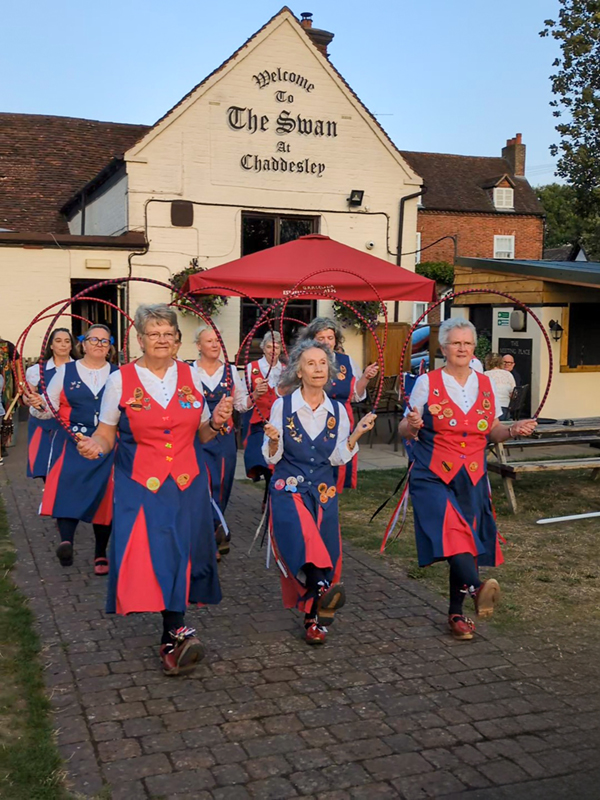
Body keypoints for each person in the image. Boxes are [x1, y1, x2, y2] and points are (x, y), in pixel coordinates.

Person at [77, 304, 230, 676]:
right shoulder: (120, 380)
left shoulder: (191, 375)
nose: (161, 340)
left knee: (183, 551)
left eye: (169, 334)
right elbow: (107, 431)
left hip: (187, 482)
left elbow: (204, 431)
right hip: (142, 483)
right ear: (140, 340)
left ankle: (171, 633)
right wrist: (95, 445)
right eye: (153, 333)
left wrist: (220, 423)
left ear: (178, 341)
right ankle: (174, 629)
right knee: (160, 550)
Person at [398, 318, 537, 641]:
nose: (462, 348)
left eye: (467, 343)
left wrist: (513, 430)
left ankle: (456, 613)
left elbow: (493, 431)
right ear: (443, 348)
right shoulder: (426, 383)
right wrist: (414, 424)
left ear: (474, 348)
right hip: (432, 473)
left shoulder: (485, 384)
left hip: (471, 476)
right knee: (451, 533)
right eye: (455, 343)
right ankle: (477, 589)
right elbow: (405, 429)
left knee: (466, 544)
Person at [263, 339, 376, 645]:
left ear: (330, 370)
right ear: (298, 371)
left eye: (322, 363)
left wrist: (356, 434)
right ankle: (324, 590)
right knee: (307, 543)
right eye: (310, 363)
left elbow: (337, 456)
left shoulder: (338, 410)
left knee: (325, 550)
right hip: (289, 489)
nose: (317, 369)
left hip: (324, 491)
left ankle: (314, 618)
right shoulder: (282, 406)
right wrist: (273, 441)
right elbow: (271, 457)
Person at [25, 325, 116, 574]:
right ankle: (66, 541)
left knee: (105, 496)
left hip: (106, 444)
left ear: (110, 347)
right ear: (83, 344)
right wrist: (38, 404)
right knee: (67, 488)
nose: (99, 344)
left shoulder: (119, 374)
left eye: (105, 341)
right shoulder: (66, 371)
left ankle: (100, 554)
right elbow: (49, 407)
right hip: (72, 441)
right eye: (93, 339)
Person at [192, 325, 255, 554]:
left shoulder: (229, 371)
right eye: (209, 341)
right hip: (197, 436)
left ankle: (216, 531)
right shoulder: (188, 371)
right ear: (198, 346)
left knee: (222, 486)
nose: (215, 345)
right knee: (202, 485)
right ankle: (215, 532)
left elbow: (241, 404)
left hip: (224, 438)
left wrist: (254, 396)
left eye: (217, 340)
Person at [296, 318, 378, 491]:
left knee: (338, 460)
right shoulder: (303, 361)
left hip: (341, 418)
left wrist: (366, 377)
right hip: (312, 417)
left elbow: (356, 394)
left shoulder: (346, 362)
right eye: (321, 338)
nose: (326, 342)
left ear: (336, 339)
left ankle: (331, 498)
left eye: (330, 337)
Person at [24, 328, 76, 480]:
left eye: (67, 341)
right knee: (48, 472)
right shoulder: (36, 371)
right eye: (58, 341)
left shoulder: (80, 368)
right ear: (51, 346)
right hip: (44, 427)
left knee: (70, 471)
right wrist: (32, 401)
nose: (63, 345)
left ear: (72, 346)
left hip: (71, 426)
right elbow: (28, 396)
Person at [243, 331, 283, 500]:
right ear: (263, 349)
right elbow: (243, 398)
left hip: (278, 419)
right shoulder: (252, 368)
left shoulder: (286, 370)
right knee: (258, 453)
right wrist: (255, 394)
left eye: (276, 347)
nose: (272, 351)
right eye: (269, 347)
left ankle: (272, 496)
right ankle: (259, 473)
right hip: (258, 419)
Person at [484, 353, 515, 421]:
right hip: (505, 409)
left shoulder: (484, 375)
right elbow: (514, 392)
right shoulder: (508, 375)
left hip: (489, 410)